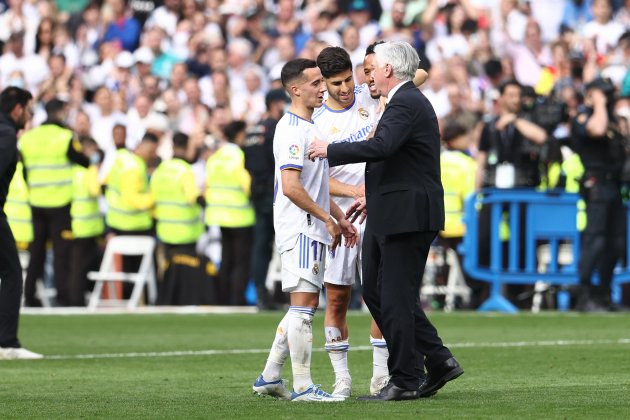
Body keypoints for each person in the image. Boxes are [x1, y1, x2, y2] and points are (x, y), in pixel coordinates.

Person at [308, 41, 463, 401]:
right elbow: (389, 158)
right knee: (380, 294)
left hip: (406, 215)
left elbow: (381, 148)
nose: (367, 77)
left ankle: (405, 378)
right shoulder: (399, 102)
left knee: (394, 298)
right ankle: (438, 360)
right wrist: (370, 198)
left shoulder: (405, 102)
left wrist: (329, 151)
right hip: (388, 209)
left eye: (371, 68)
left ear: (389, 69)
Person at [251, 58, 358, 402]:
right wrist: (325, 219)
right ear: (296, 89)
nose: (322, 87)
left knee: (302, 306)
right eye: (315, 83)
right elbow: (292, 186)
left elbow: (317, 185)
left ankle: (269, 377)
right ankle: (302, 386)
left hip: (312, 225)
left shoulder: (311, 127)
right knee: (304, 306)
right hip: (300, 227)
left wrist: (339, 217)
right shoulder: (293, 129)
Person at [20, 98, 91, 307]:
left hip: (36, 202)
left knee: (37, 253)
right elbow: (83, 161)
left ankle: (30, 296)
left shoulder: (28, 138)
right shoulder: (65, 136)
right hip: (60, 203)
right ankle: (63, 296)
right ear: (61, 112)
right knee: (61, 253)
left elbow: (24, 171)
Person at [572, 78, 625, 312]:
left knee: (617, 242)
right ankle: (584, 294)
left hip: (614, 185)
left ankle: (604, 293)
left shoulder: (614, 120)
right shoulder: (584, 117)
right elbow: (596, 129)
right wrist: (599, 103)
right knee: (596, 240)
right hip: (596, 185)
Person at [0, 86, 42, 359]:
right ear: (17, 109)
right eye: (28, 108)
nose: (30, 114)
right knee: (13, 273)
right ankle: (7, 343)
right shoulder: (5, 134)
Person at [242, 88, 290, 309]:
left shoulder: (252, 131)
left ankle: (261, 292)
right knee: (287, 241)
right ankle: (294, 293)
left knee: (261, 244)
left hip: (257, 191)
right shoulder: (276, 129)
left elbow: (247, 164)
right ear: (275, 104)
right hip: (275, 192)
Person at [150, 132, 205, 305]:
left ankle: (166, 301)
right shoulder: (185, 171)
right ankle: (184, 301)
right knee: (185, 273)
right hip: (185, 231)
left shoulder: (161, 170)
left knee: (167, 271)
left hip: (165, 230)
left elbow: (153, 197)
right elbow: (192, 196)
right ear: (187, 147)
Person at [205, 120, 255, 306]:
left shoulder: (215, 157)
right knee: (241, 262)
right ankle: (237, 299)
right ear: (240, 135)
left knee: (226, 260)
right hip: (240, 217)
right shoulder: (240, 157)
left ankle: (222, 298)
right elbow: (247, 186)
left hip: (219, 216)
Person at [68, 136, 104, 306]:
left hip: (79, 225)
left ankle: (79, 298)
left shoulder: (73, 170)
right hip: (87, 227)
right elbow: (95, 190)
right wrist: (94, 169)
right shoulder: (87, 169)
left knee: (80, 266)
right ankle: (77, 301)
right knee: (81, 267)